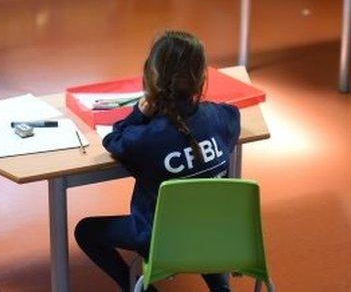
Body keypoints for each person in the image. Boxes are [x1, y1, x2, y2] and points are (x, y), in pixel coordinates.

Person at [74, 31, 240, 292]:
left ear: (151, 77)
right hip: (213, 234)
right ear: (201, 78)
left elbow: (114, 139)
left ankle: (138, 289)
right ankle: (220, 286)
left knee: (85, 231)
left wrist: (139, 113)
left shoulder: (144, 140)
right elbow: (230, 113)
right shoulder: (222, 119)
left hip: (161, 241)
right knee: (198, 215)